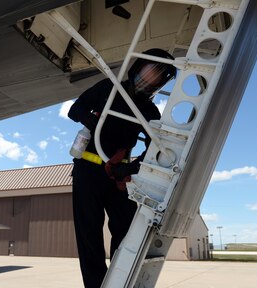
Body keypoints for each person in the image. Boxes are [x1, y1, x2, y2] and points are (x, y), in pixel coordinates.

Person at [68, 48, 177, 288]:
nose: (149, 80)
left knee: (125, 231)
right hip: (87, 171)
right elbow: (74, 109)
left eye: (157, 77)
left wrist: (132, 168)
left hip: (117, 177)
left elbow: (154, 150)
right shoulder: (108, 88)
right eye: (148, 72)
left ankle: (119, 281)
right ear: (138, 67)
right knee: (89, 236)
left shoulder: (150, 111)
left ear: (161, 82)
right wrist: (93, 121)